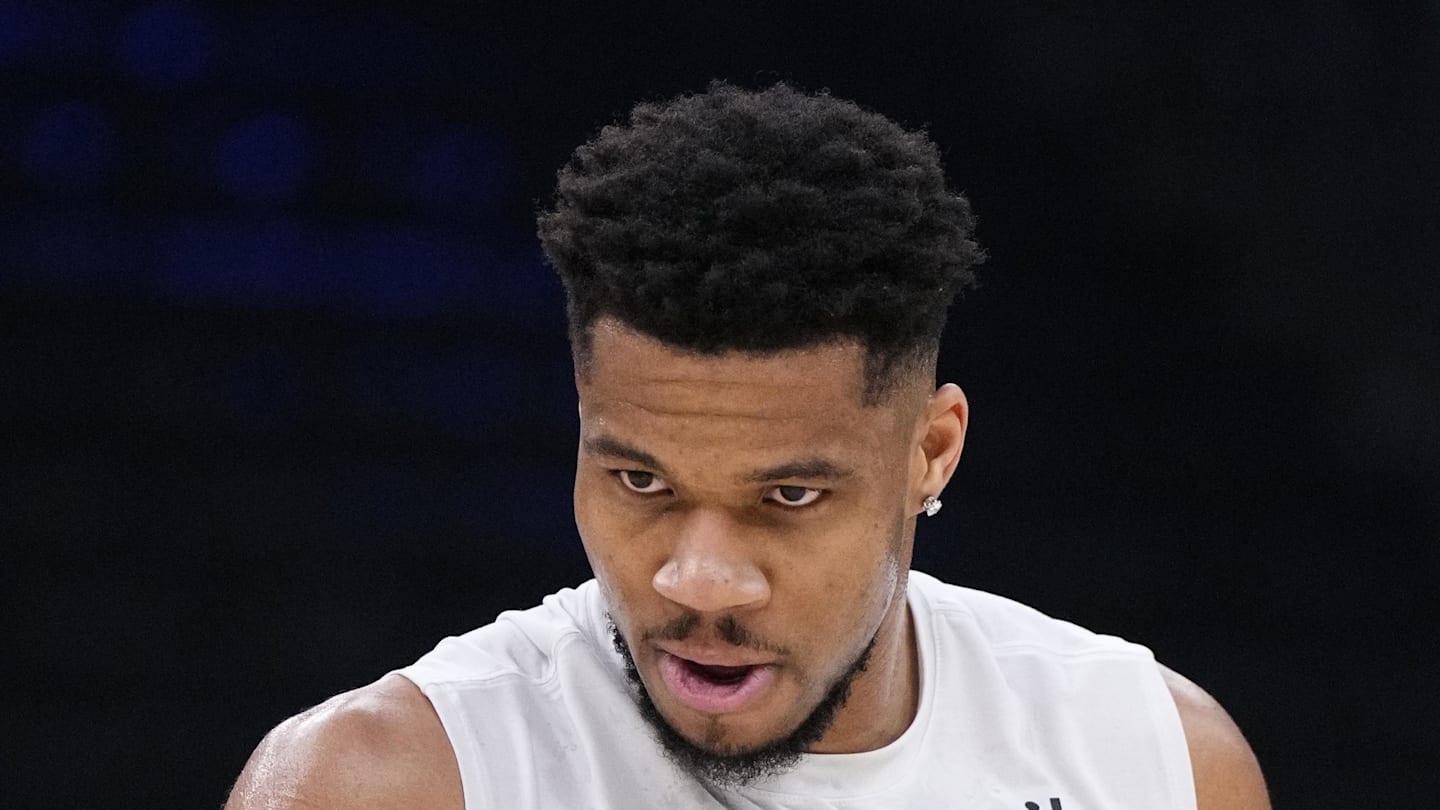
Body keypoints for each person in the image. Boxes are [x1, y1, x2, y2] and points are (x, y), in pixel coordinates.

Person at [225, 82, 1269, 809]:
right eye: (641, 479)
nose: (702, 581)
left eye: (789, 498)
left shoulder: (1159, 766)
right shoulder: (381, 786)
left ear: (931, 453)